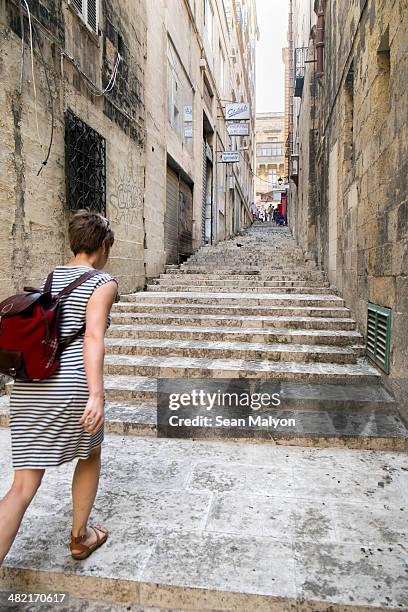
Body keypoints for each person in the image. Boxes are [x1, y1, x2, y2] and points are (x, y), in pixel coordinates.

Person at [0, 209, 119, 565]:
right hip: (70, 386)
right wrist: (96, 395)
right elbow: (93, 337)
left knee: (22, 486)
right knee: (90, 454)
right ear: (102, 246)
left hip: (30, 383)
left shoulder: (54, 277)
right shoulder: (103, 282)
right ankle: (80, 538)